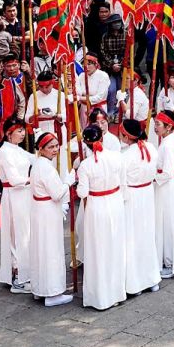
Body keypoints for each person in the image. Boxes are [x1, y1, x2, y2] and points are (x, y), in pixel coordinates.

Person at [75, 127, 127, 310]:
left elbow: (82, 192)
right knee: (114, 246)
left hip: (96, 206)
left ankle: (100, 296)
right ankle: (117, 292)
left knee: (98, 250)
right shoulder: (116, 157)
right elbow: (123, 183)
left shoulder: (85, 166)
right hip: (114, 202)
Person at [25, 132, 75, 306]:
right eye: (50, 147)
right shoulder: (45, 167)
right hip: (47, 211)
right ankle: (52, 292)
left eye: (56, 146)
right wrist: (68, 181)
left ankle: (40, 288)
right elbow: (57, 193)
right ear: (41, 149)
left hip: (40, 209)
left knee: (41, 248)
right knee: (51, 249)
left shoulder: (38, 165)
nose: (55, 150)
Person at [118, 120, 162, 297]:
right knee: (146, 235)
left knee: (132, 237)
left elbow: (121, 182)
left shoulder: (125, 157)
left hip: (133, 196)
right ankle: (151, 278)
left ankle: (135, 283)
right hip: (147, 193)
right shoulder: (151, 148)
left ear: (126, 136)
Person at [0, 117, 35, 292]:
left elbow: (34, 158)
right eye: (19, 131)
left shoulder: (18, 150)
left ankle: (25, 270)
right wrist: (32, 180)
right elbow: (14, 179)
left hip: (24, 195)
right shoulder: (5, 152)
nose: (22, 134)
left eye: (23, 130)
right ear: (8, 133)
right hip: (13, 195)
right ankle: (18, 275)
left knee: (25, 232)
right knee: (16, 233)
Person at [151, 111, 174, 278]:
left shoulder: (167, 145)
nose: (155, 127)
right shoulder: (170, 139)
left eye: (158, 124)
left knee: (170, 224)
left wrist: (152, 178)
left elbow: (166, 173)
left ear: (168, 127)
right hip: (173, 184)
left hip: (168, 185)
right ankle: (171, 259)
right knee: (170, 223)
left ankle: (173, 262)